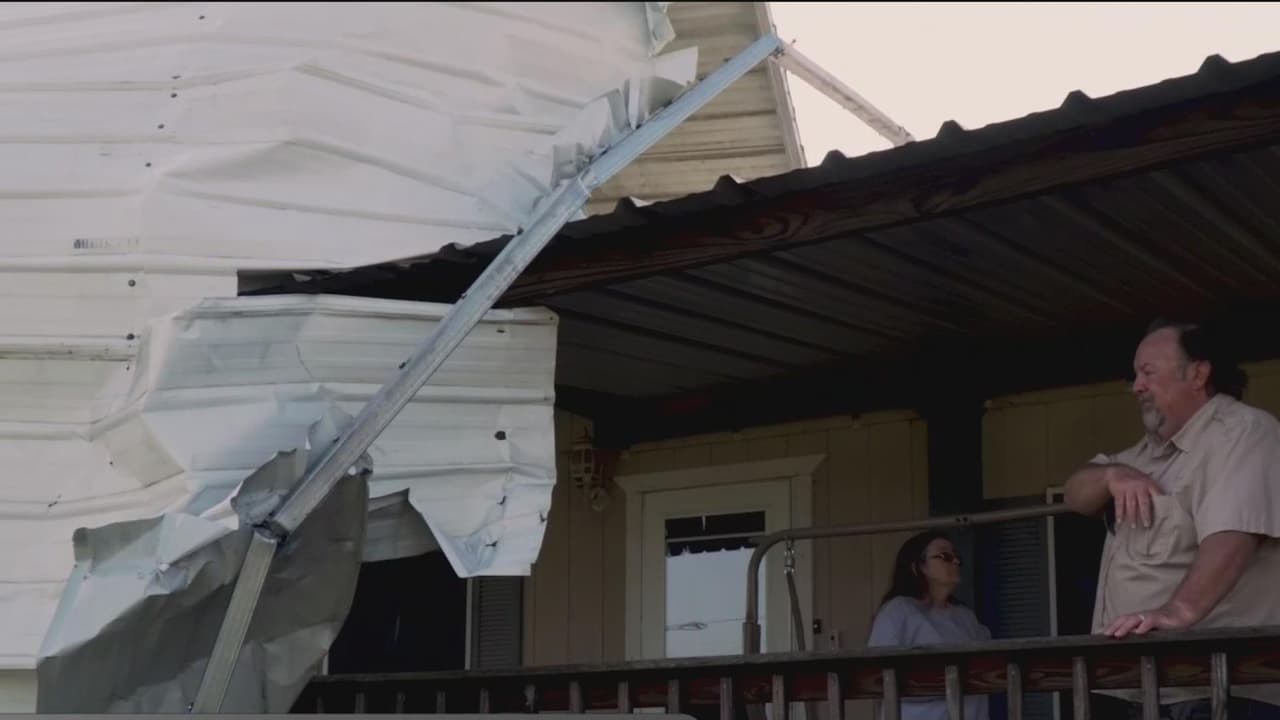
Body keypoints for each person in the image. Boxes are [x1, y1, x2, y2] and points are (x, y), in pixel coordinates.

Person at [1064, 319, 1280, 718]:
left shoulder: (1243, 432)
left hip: (1213, 687)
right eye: (1135, 376)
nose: (1137, 386)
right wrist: (1112, 475)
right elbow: (1075, 495)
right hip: (1138, 684)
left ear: (1198, 373)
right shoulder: (1144, 453)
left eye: (1148, 372)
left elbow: (1232, 538)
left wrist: (1176, 613)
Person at [867, 531, 991, 720]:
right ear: (918, 566)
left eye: (957, 557)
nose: (956, 561)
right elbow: (876, 673)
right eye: (945, 556)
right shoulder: (898, 611)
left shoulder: (966, 617)